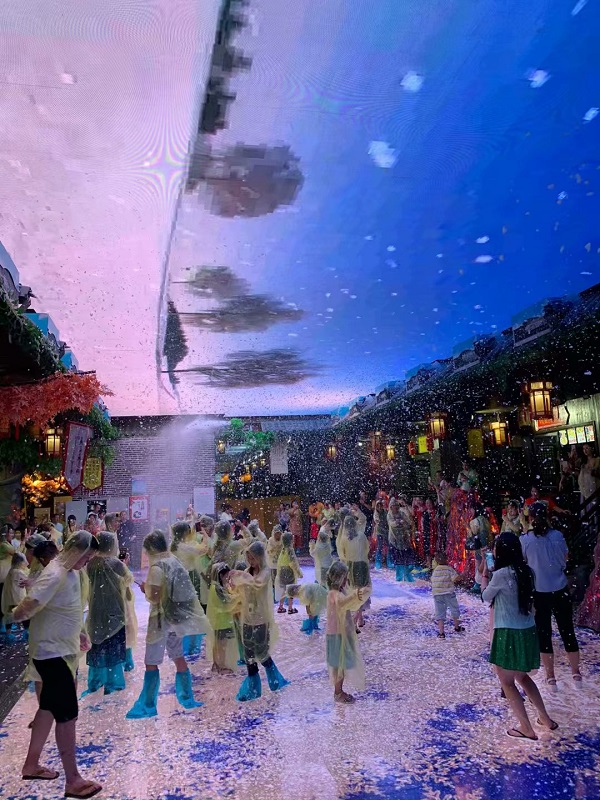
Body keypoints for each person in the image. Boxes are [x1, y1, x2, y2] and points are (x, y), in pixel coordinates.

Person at [12, 531, 102, 798]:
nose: (86, 562)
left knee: (48, 709)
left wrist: (79, 633)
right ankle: (73, 780)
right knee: (67, 715)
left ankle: (31, 765)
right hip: (52, 653)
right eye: (86, 557)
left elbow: (66, 608)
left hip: (60, 650)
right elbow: (31, 603)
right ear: (75, 551)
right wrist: (16, 615)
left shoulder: (69, 572)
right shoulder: (55, 573)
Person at [481, 532, 558, 742]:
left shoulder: (501, 574)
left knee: (507, 682)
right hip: (527, 631)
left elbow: (485, 596)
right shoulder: (528, 572)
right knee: (522, 677)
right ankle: (546, 719)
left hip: (508, 633)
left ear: (501, 551)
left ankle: (526, 728)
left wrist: (485, 573)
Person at [126, 530, 210, 719]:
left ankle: (148, 704)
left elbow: (156, 596)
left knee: (151, 661)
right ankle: (186, 696)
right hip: (176, 619)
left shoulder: (157, 567)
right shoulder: (173, 561)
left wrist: (146, 589)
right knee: (178, 656)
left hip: (160, 620)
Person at [520, 502, 581, 689]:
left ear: (530, 518)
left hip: (540, 591)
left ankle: (550, 676)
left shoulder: (525, 540)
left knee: (544, 633)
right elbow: (565, 559)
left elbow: (524, 563)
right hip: (560, 588)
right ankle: (576, 673)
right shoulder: (558, 536)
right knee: (567, 630)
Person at [227, 540, 289, 702]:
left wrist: (241, 576)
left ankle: (275, 680)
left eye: (253, 558)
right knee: (248, 655)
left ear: (260, 557)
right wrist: (234, 584)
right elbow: (241, 588)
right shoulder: (248, 571)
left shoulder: (265, 572)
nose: (250, 561)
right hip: (247, 619)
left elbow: (257, 584)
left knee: (262, 653)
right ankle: (253, 689)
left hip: (261, 620)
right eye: (248, 558)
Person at [84, 532, 130, 696]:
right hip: (114, 609)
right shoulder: (115, 563)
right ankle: (113, 682)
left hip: (96, 609)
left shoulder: (91, 563)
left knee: (97, 645)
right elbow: (128, 579)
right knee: (113, 646)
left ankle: (95, 681)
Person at [325, 561, 370, 704]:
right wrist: (357, 594)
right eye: (344, 578)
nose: (346, 581)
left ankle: (339, 690)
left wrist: (355, 597)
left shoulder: (337, 593)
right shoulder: (335, 595)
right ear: (338, 578)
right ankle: (338, 693)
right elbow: (344, 603)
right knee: (339, 665)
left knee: (341, 664)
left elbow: (346, 604)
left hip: (337, 632)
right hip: (337, 634)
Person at [171, 521, 208, 656]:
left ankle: (184, 644)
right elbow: (204, 550)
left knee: (182, 612)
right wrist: (205, 536)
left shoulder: (173, 546)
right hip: (190, 578)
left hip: (177, 581)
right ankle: (192, 645)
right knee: (193, 611)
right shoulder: (185, 546)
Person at [337, 514, 371, 629]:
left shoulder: (344, 538)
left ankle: (359, 619)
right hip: (362, 566)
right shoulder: (361, 535)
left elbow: (342, 555)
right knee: (362, 592)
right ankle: (356, 620)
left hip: (350, 567)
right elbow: (366, 549)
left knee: (355, 592)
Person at [206, 562, 240, 673]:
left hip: (218, 621)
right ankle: (221, 666)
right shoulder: (218, 588)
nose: (228, 578)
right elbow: (228, 603)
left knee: (217, 644)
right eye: (226, 576)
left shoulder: (214, 586)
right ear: (221, 575)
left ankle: (216, 664)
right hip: (222, 621)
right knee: (222, 645)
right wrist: (238, 596)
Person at [431, 551, 464, 638]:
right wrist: (462, 575)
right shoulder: (449, 569)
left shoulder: (435, 570)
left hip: (437, 594)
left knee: (440, 613)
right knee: (454, 609)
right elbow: (456, 578)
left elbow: (433, 581)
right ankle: (457, 627)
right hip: (449, 593)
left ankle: (441, 632)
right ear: (446, 559)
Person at [118, 547, 137, 672]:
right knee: (128, 634)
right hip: (125, 608)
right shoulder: (125, 572)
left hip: (119, 608)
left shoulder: (115, 570)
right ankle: (128, 663)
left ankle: (122, 663)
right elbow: (129, 594)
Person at [276, 532, 303, 614]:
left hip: (282, 571)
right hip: (289, 571)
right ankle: (290, 608)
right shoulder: (290, 550)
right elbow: (293, 563)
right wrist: (299, 573)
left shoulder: (283, 550)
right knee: (291, 590)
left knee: (284, 590)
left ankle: (280, 607)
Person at [1, 551, 28, 622]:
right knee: (17, 615)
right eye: (24, 561)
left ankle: (8, 627)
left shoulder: (12, 570)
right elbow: (27, 581)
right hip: (18, 598)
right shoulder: (19, 572)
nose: (26, 563)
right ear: (20, 563)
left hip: (10, 597)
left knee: (9, 614)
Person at [0, 527, 16, 634]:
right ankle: (4, 626)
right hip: (3, 577)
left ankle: (6, 625)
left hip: (6, 577)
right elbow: (16, 553)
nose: (12, 534)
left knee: (7, 602)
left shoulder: (8, 544)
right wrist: (24, 541)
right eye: (10, 533)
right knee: (4, 602)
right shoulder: (3, 545)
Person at [373, 499, 391, 569]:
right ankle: (378, 563)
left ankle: (389, 562)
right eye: (378, 506)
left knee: (389, 547)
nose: (379, 507)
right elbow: (376, 520)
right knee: (379, 547)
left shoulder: (385, 512)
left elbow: (388, 519)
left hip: (386, 531)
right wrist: (379, 521)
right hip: (380, 532)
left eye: (380, 505)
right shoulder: (376, 513)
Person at [266, 525, 283, 596]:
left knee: (281, 578)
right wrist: (274, 549)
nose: (277, 535)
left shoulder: (282, 540)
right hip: (273, 563)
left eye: (279, 533)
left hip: (281, 562)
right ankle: (274, 592)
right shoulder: (271, 540)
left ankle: (281, 592)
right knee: (273, 577)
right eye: (276, 533)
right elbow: (269, 551)